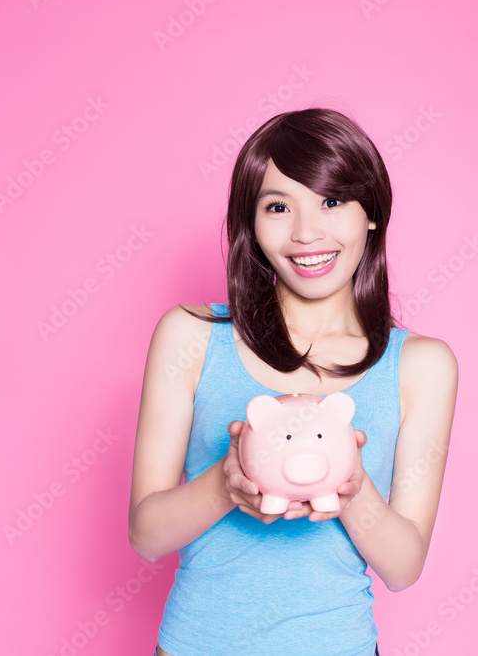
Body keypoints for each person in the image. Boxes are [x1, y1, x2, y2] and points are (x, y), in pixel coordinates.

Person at [128, 108, 458, 656]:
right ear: (251, 224)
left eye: (332, 201)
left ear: (371, 213)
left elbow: (403, 568)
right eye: (278, 207)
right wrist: (228, 483)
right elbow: (146, 537)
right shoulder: (190, 336)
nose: (306, 232)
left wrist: (350, 488)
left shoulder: (421, 365)